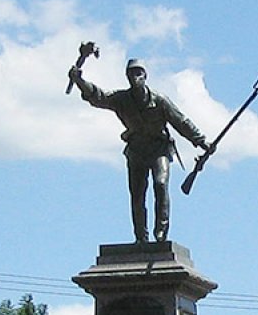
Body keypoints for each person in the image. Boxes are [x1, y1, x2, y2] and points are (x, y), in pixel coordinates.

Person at [70, 58, 208, 243]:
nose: (135, 77)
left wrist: (201, 141)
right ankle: (141, 237)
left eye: (138, 73)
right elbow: (99, 97)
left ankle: (161, 232)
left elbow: (180, 122)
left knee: (160, 185)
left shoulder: (160, 100)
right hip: (136, 151)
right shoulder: (121, 99)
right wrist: (80, 81)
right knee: (137, 194)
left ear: (145, 76)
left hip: (159, 149)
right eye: (131, 73)